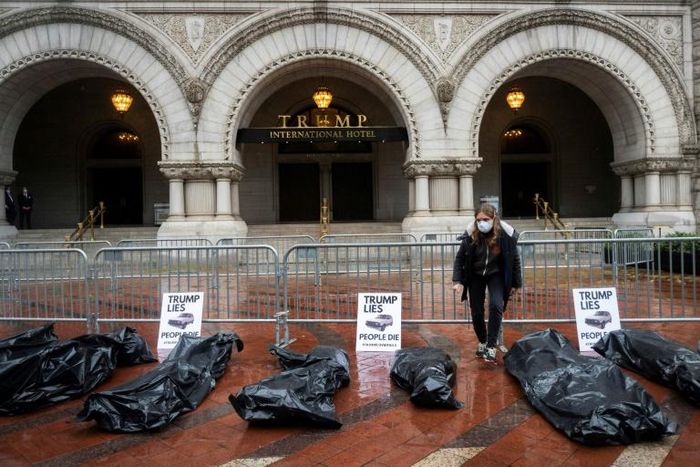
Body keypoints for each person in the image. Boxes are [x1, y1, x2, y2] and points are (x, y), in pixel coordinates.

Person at [452, 203, 522, 363]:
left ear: (493, 218)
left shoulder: (505, 235)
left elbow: (515, 260)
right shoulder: (471, 235)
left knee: (496, 306)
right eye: (478, 219)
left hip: (495, 275)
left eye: (485, 219)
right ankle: (482, 341)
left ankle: (491, 345)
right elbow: (460, 258)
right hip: (475, 276)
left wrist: (516, 283)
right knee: (476, 310)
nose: (481, 223)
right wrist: (457, 280)